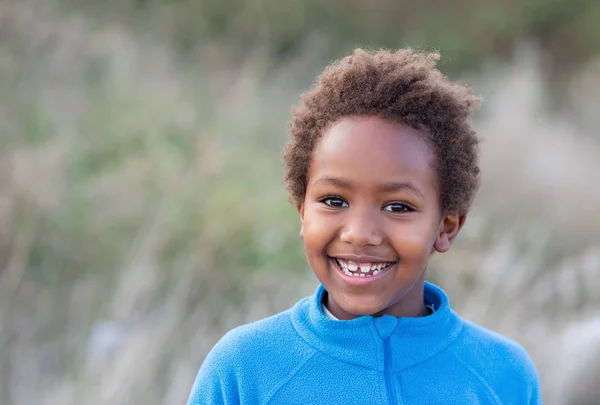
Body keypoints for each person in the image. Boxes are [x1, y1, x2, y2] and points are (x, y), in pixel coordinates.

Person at [186, 48, 542, 404]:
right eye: (334, 201)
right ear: (302, 212)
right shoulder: (244, 369)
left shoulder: (503, 375)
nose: (359, 233)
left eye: (398, 206)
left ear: (446, 226)